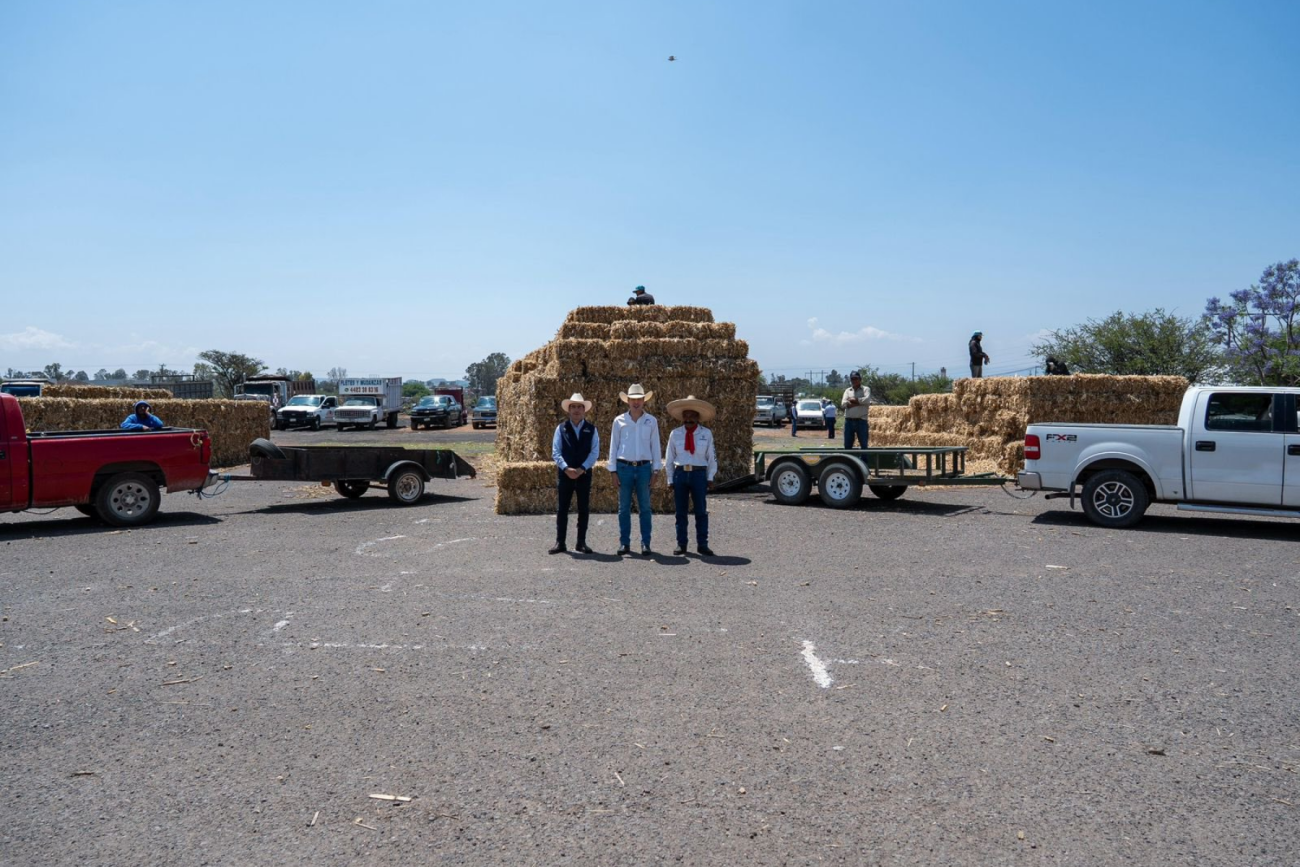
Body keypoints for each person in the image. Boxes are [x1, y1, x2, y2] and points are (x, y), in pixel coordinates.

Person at [606, 383, 661, 556]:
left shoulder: (651, 421)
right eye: (633, 399)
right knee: (624, 508)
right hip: (624, 467)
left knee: (645, 507)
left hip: (644, 468)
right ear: (628, 401)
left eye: (639, 399)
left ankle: (646, 543)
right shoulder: (619, 421)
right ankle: (625, 543)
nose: (636, 402)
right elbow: (613, 446)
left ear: (644, 400)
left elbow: (655, 446)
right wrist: (613, 471)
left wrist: (656, 470)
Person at [664, 395, 718, 557]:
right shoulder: (675, 434)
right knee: (680, 512)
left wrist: (710, 477)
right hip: (680, 474)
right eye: (686, 416)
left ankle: (702, 544)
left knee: (701, 511)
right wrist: (670, 478)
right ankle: (681, 544)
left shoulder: (706, 434)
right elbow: (669, 458)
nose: (688, 419)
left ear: (698, 417)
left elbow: (712, 457)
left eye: (692, 416)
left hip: (698, 474)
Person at [550, 393, 600, 555]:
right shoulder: (561, 428)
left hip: (584, 474)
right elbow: (556, 452)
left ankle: (581, 542)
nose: (576, 410)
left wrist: (582, 469)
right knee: (562, 509)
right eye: (573, 407)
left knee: (583, 508)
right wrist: (566, 468)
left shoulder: (592, 429)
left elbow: (594, 453)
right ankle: (560, 542)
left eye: (579, 407)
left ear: (584, 410)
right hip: (565, 474)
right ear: (569, 410)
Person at [841, 372, 870, 449]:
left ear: (860, 379)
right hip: (849, 421)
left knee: (864, 445)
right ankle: (848, 458)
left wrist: (853, 400)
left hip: (861, 421)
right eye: (852, 379)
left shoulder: (866, 389)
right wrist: (860, 403)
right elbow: (843, 404)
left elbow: (867, 400)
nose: (854, 380)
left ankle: (864, 458)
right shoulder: (848, 390)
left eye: (856, 378)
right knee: (847, 445)